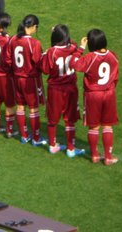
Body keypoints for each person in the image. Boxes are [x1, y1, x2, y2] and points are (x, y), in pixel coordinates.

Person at [70, 29, 119, 165]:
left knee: (94, 127)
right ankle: (108, 157)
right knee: (108, 126)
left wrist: (80, 48)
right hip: (109, 94)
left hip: (93, 95)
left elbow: (73, 64)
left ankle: (95, 155)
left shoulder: (90, 57)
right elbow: (116, 77)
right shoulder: (113, 56)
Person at [41, 25, 85, 157]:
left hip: (55, 89)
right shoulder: (73, 48)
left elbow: (45, 70)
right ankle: (71, 149)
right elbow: (74, 45)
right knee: (69, 120)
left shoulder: (52, 52)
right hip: (70, 89)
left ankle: (52, 145)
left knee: (52, 119)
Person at [7, 14, 47, 145]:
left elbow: (8, 59)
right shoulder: (34, 43)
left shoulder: (13, 39)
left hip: (16, 78)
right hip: (30, 80)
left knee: (20, 107)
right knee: (33, 108)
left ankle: (24, 135)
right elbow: (38, 62)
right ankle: (36, 138)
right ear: (34, 27)